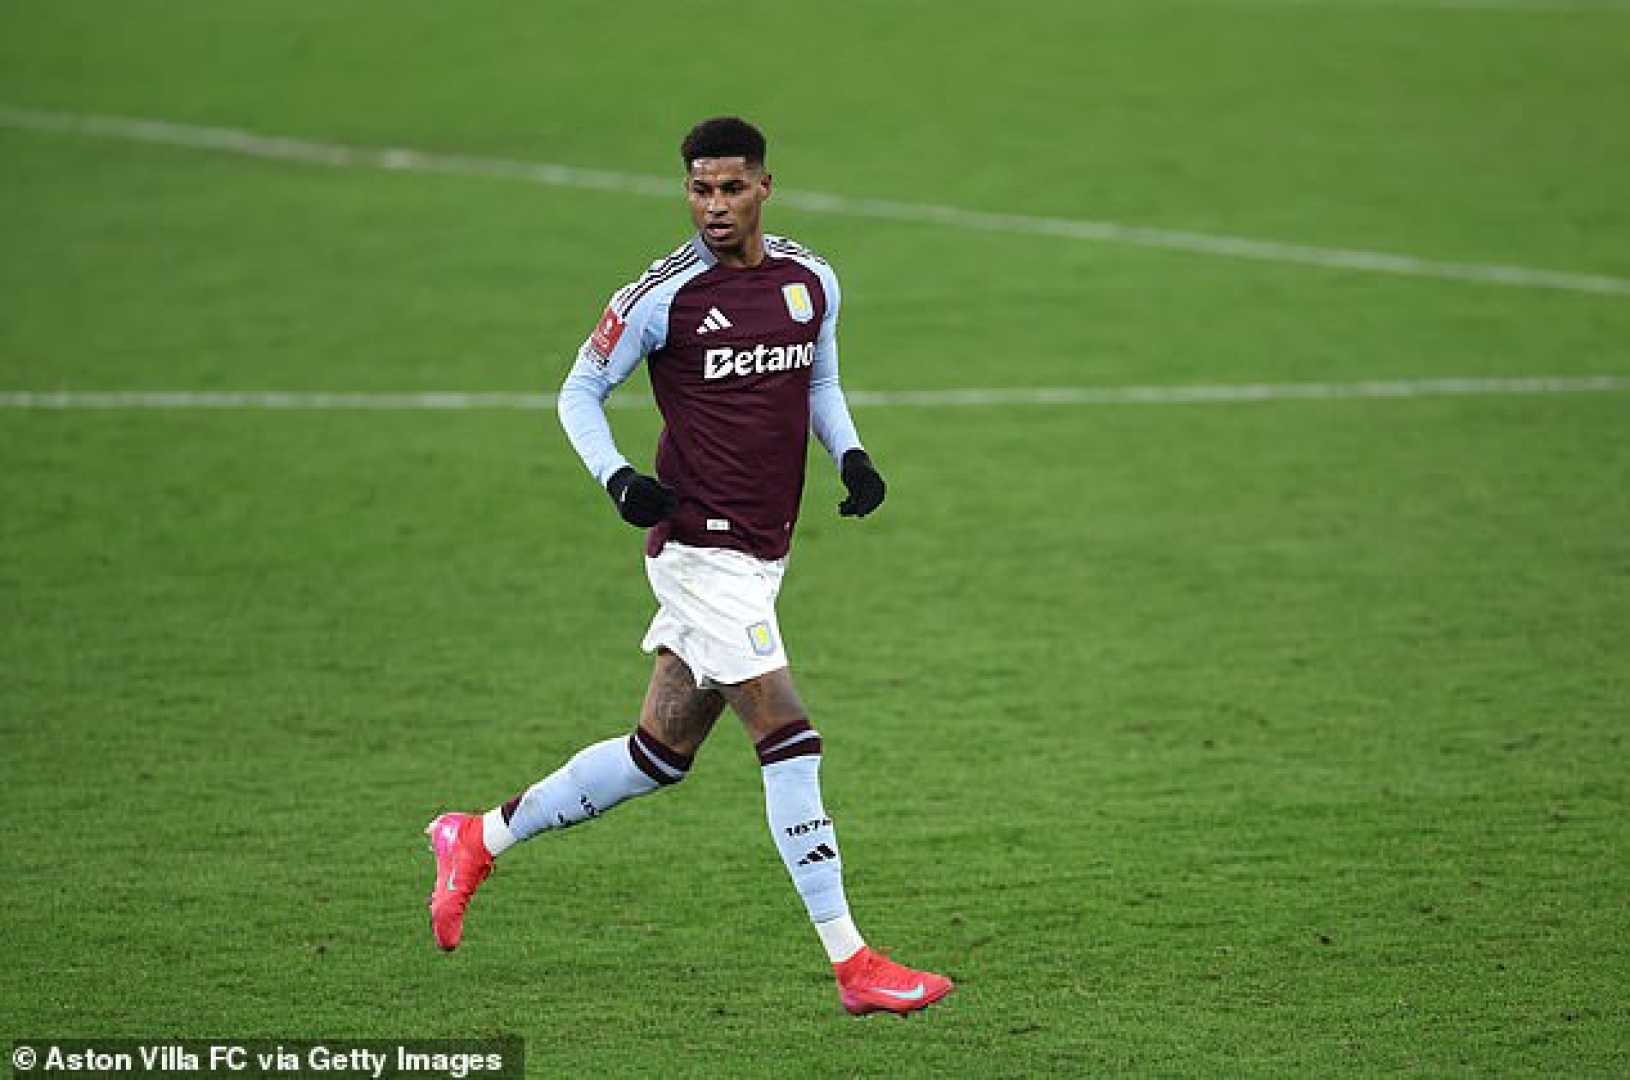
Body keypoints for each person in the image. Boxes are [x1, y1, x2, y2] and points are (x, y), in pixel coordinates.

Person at [424, 117, 952, 1017]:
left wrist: (851, 456)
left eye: (731, 188)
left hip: (763, 548)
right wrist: (618, 476)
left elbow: (818, 380)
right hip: (701, 551)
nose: (715, 206)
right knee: (788, 734)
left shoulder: (808, 281)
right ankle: (852, 964)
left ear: (765, 188)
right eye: (700, 190)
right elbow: (579, 390)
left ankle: (476, 835)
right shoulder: (659, 299)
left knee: (657, 755)